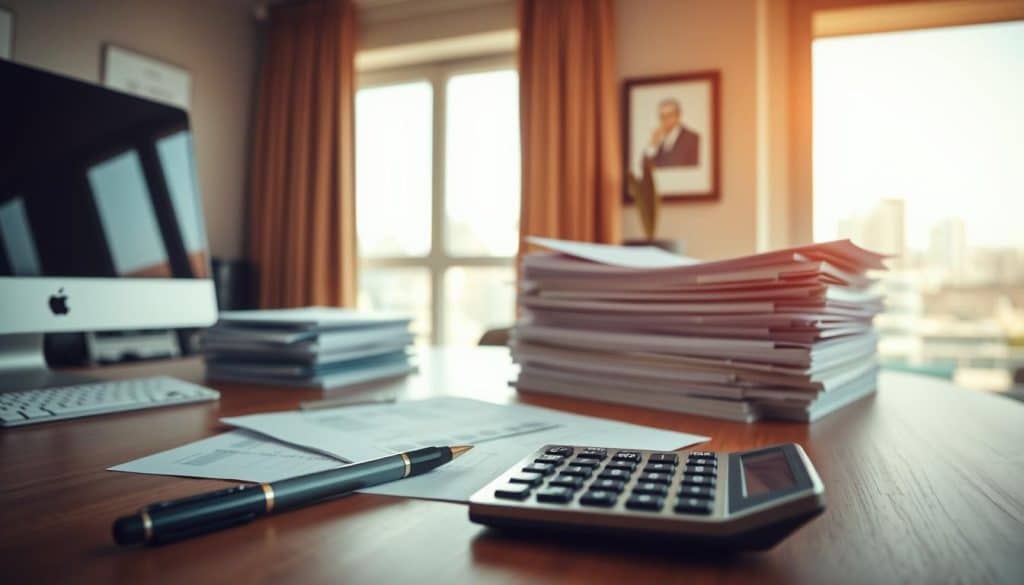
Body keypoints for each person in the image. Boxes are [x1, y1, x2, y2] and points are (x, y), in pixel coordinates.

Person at [643, 98, 699, 168]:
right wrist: (653, 145)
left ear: (678, 115)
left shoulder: (692, 138)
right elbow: (645, 167)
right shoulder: (658, 138)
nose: (665, 120)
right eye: (662, 116)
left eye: (669, 115)